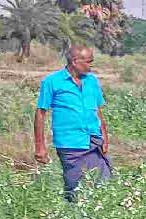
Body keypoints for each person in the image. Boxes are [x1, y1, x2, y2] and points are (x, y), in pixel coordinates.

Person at [34, 45, 112, 202]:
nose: (91, 66)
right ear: (75, 61)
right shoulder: (52, 82)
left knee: (104, 182)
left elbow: (97, 110)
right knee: (75, 187)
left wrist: (104, 136)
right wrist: (40, 147)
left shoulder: (92, 81)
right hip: (70, 142)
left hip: (94, 140)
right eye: (89, 62)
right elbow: (40, 113)